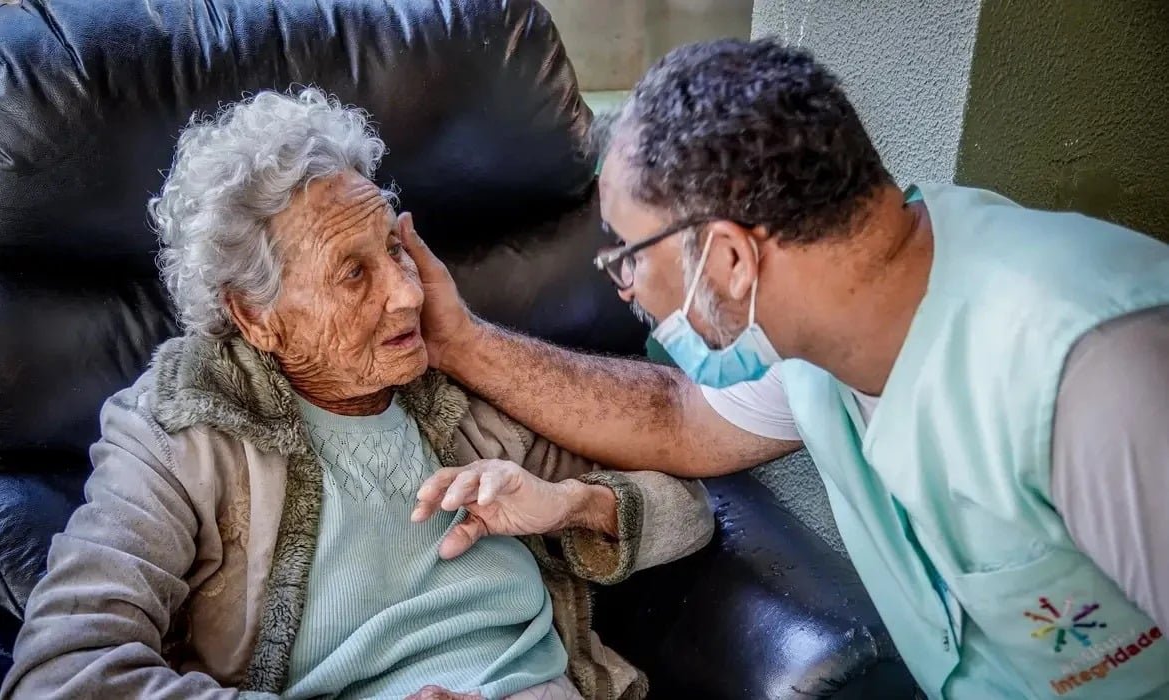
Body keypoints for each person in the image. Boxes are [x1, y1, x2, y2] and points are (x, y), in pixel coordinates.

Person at [404, 38, 1169, 699]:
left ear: (731, 258)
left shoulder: (1100, 376)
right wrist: (462, 340)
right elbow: (680, 420)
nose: (624, 285)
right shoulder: (823, 326)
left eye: (629, 255)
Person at [0, 88, 714, 700]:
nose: (409, 294)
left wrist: (569, 505)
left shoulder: (453, 388)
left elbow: (693, 509)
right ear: (255, 315)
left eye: (394, 249)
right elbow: (62, 671)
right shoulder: (183, 425)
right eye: (353, 273)